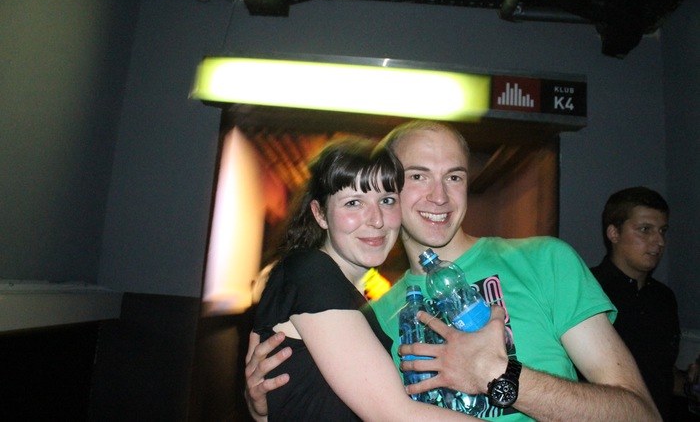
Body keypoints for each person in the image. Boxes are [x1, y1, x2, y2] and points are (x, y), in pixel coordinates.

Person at [246, 121, 661, 421]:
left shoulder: (545, 261)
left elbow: (641, 414)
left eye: (454, 177)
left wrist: (499, 375)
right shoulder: (373, 317)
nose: (440, 196)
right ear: (389, 185)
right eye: (418, 176)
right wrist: (263, 407)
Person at [250, 137, 489, 421]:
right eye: (354, 203)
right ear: (320, 214)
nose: (376, 220)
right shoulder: (311, 272)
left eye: (386, 200)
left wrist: (258, 409)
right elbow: (395, 415)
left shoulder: (349, 294)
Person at [589, 186, 690, 420]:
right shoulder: (587, 290)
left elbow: (659, 373)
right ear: (614, 233)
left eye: (662, 231)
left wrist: (689, 383)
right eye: (645, 230)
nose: (659, 241)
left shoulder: (663, 298)